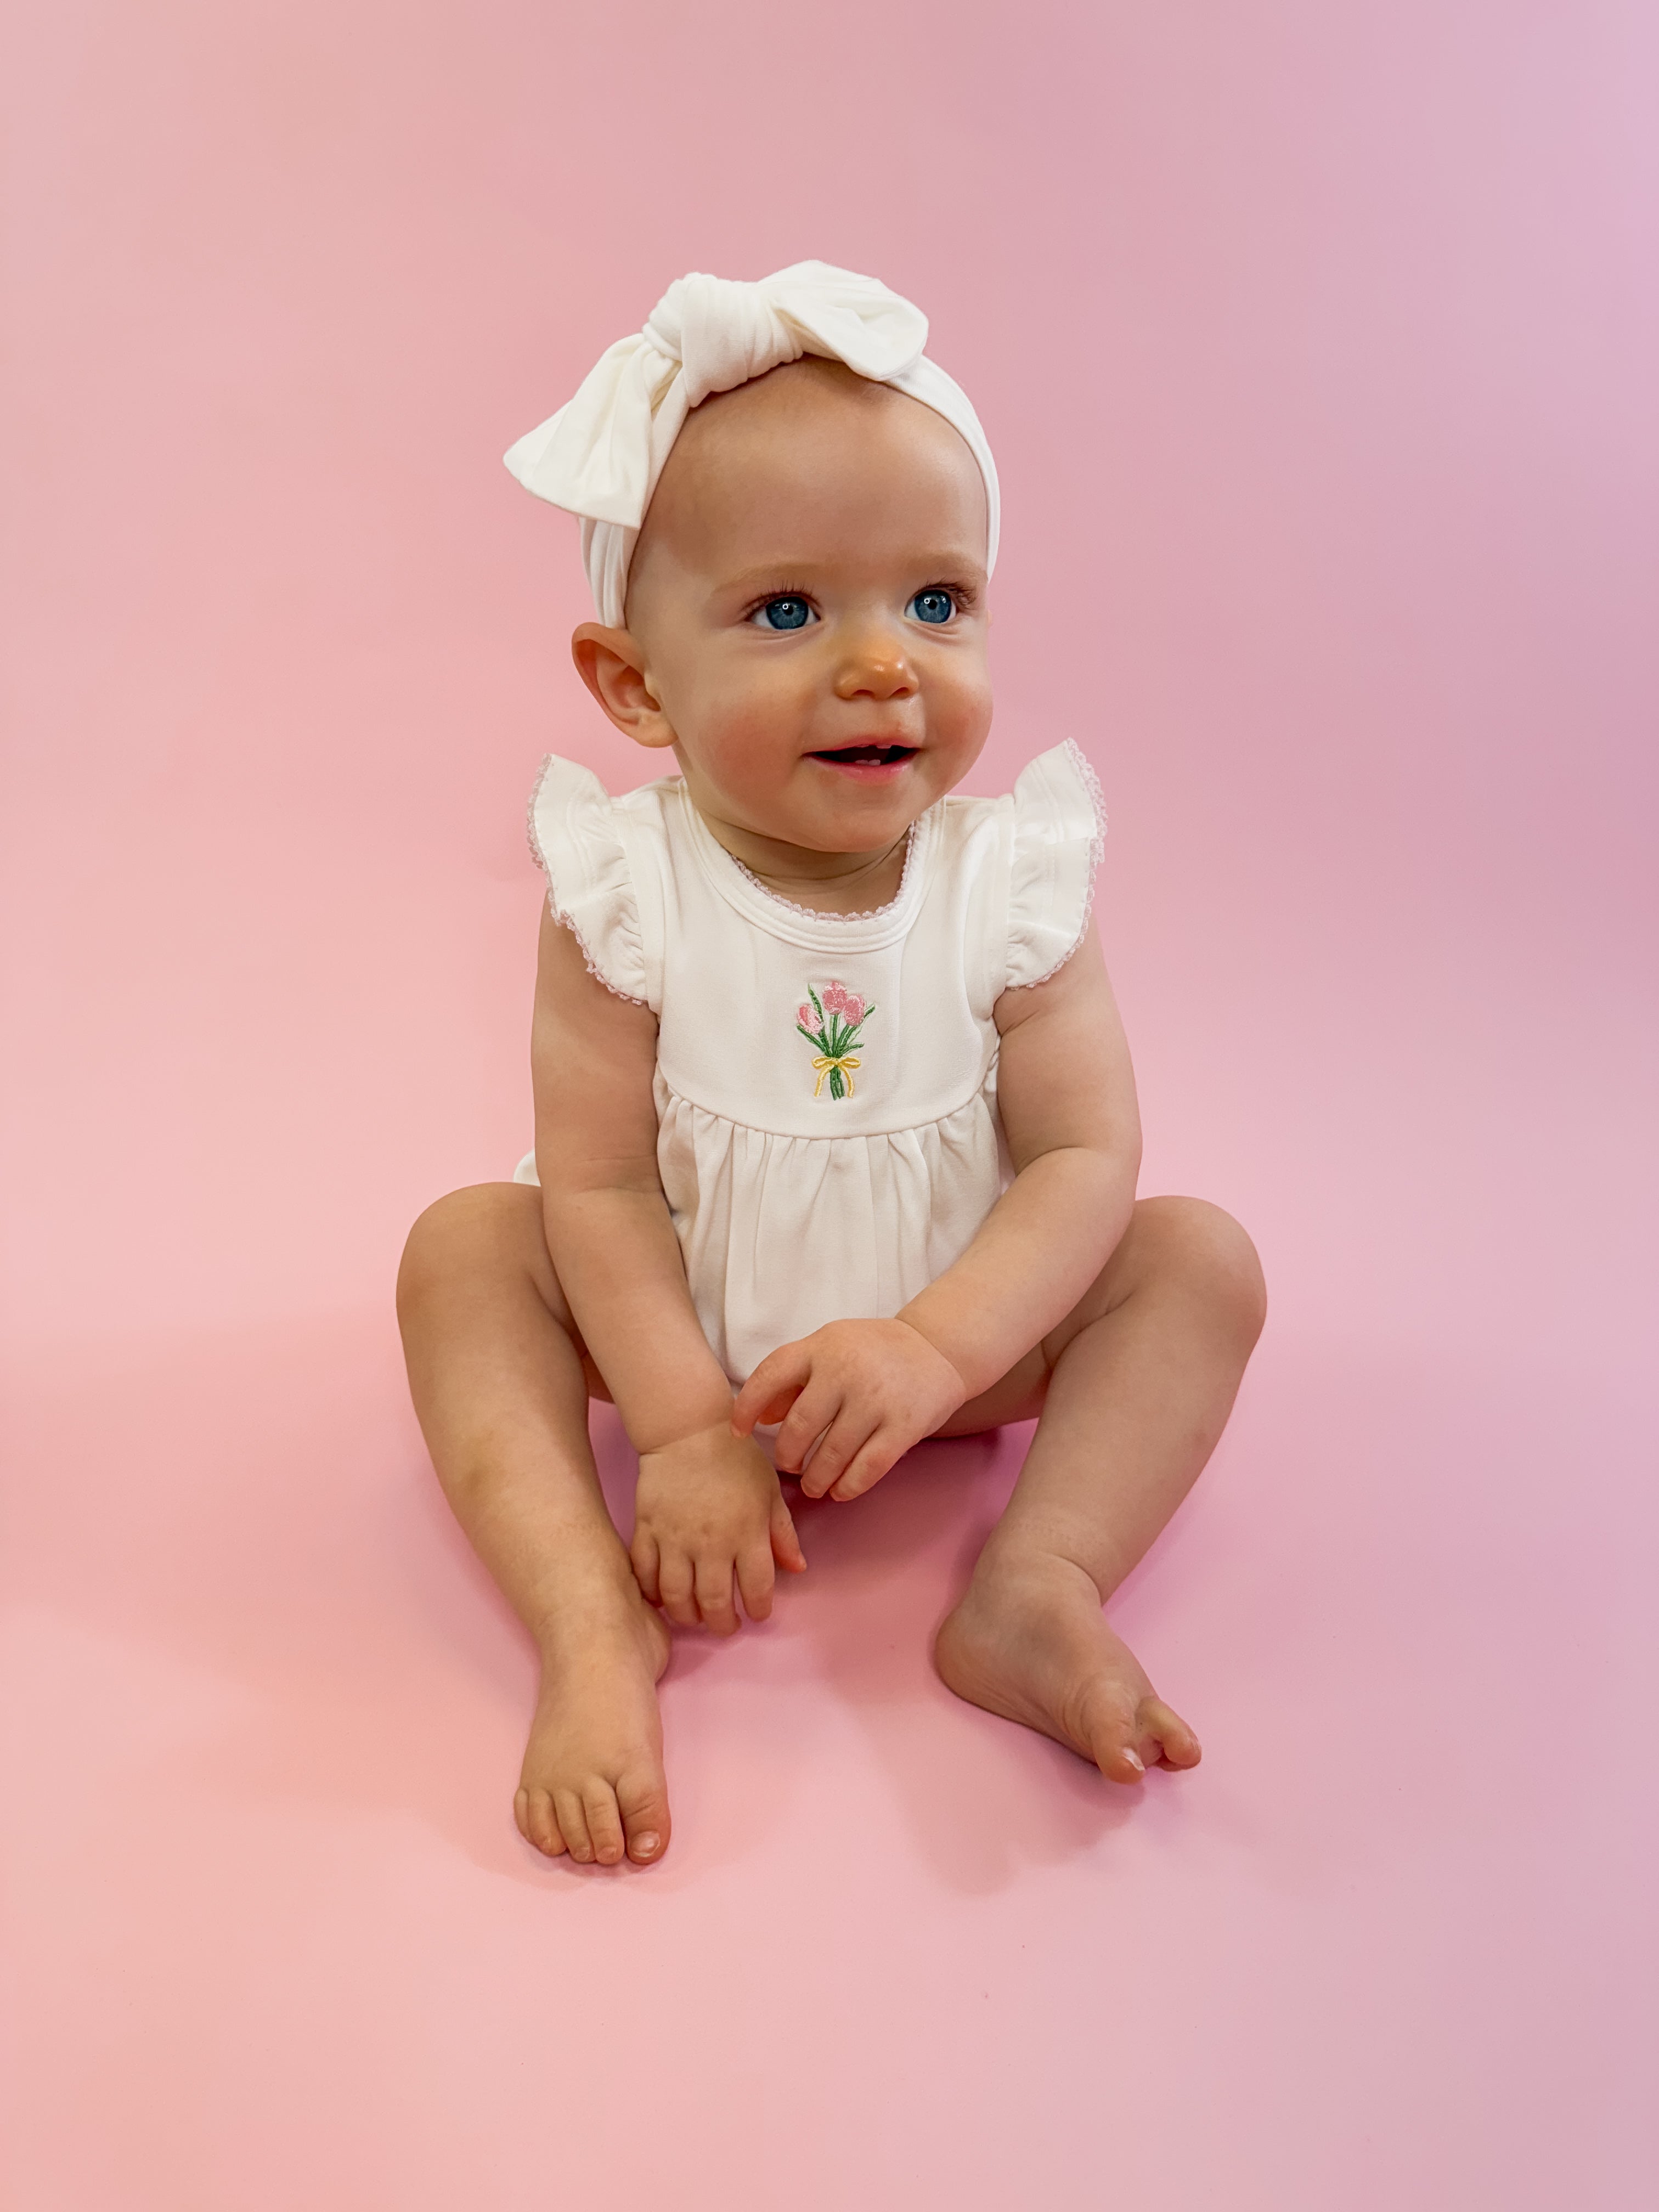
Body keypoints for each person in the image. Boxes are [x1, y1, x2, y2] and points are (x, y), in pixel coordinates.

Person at [396, 263, 1266, 1870]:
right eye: (789, 612)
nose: (883, 665)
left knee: (1197, 1263)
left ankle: (1036, 1584)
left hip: (953, 1344)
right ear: (636, 685)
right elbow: (599, 1186)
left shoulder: (1012, 884)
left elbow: (1083, 1158)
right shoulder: (623, 891)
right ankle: (590, 1620)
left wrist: (938, 1348)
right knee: (464, 1253)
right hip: (687, 1341)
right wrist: (683, 1429)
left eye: (937, 602)